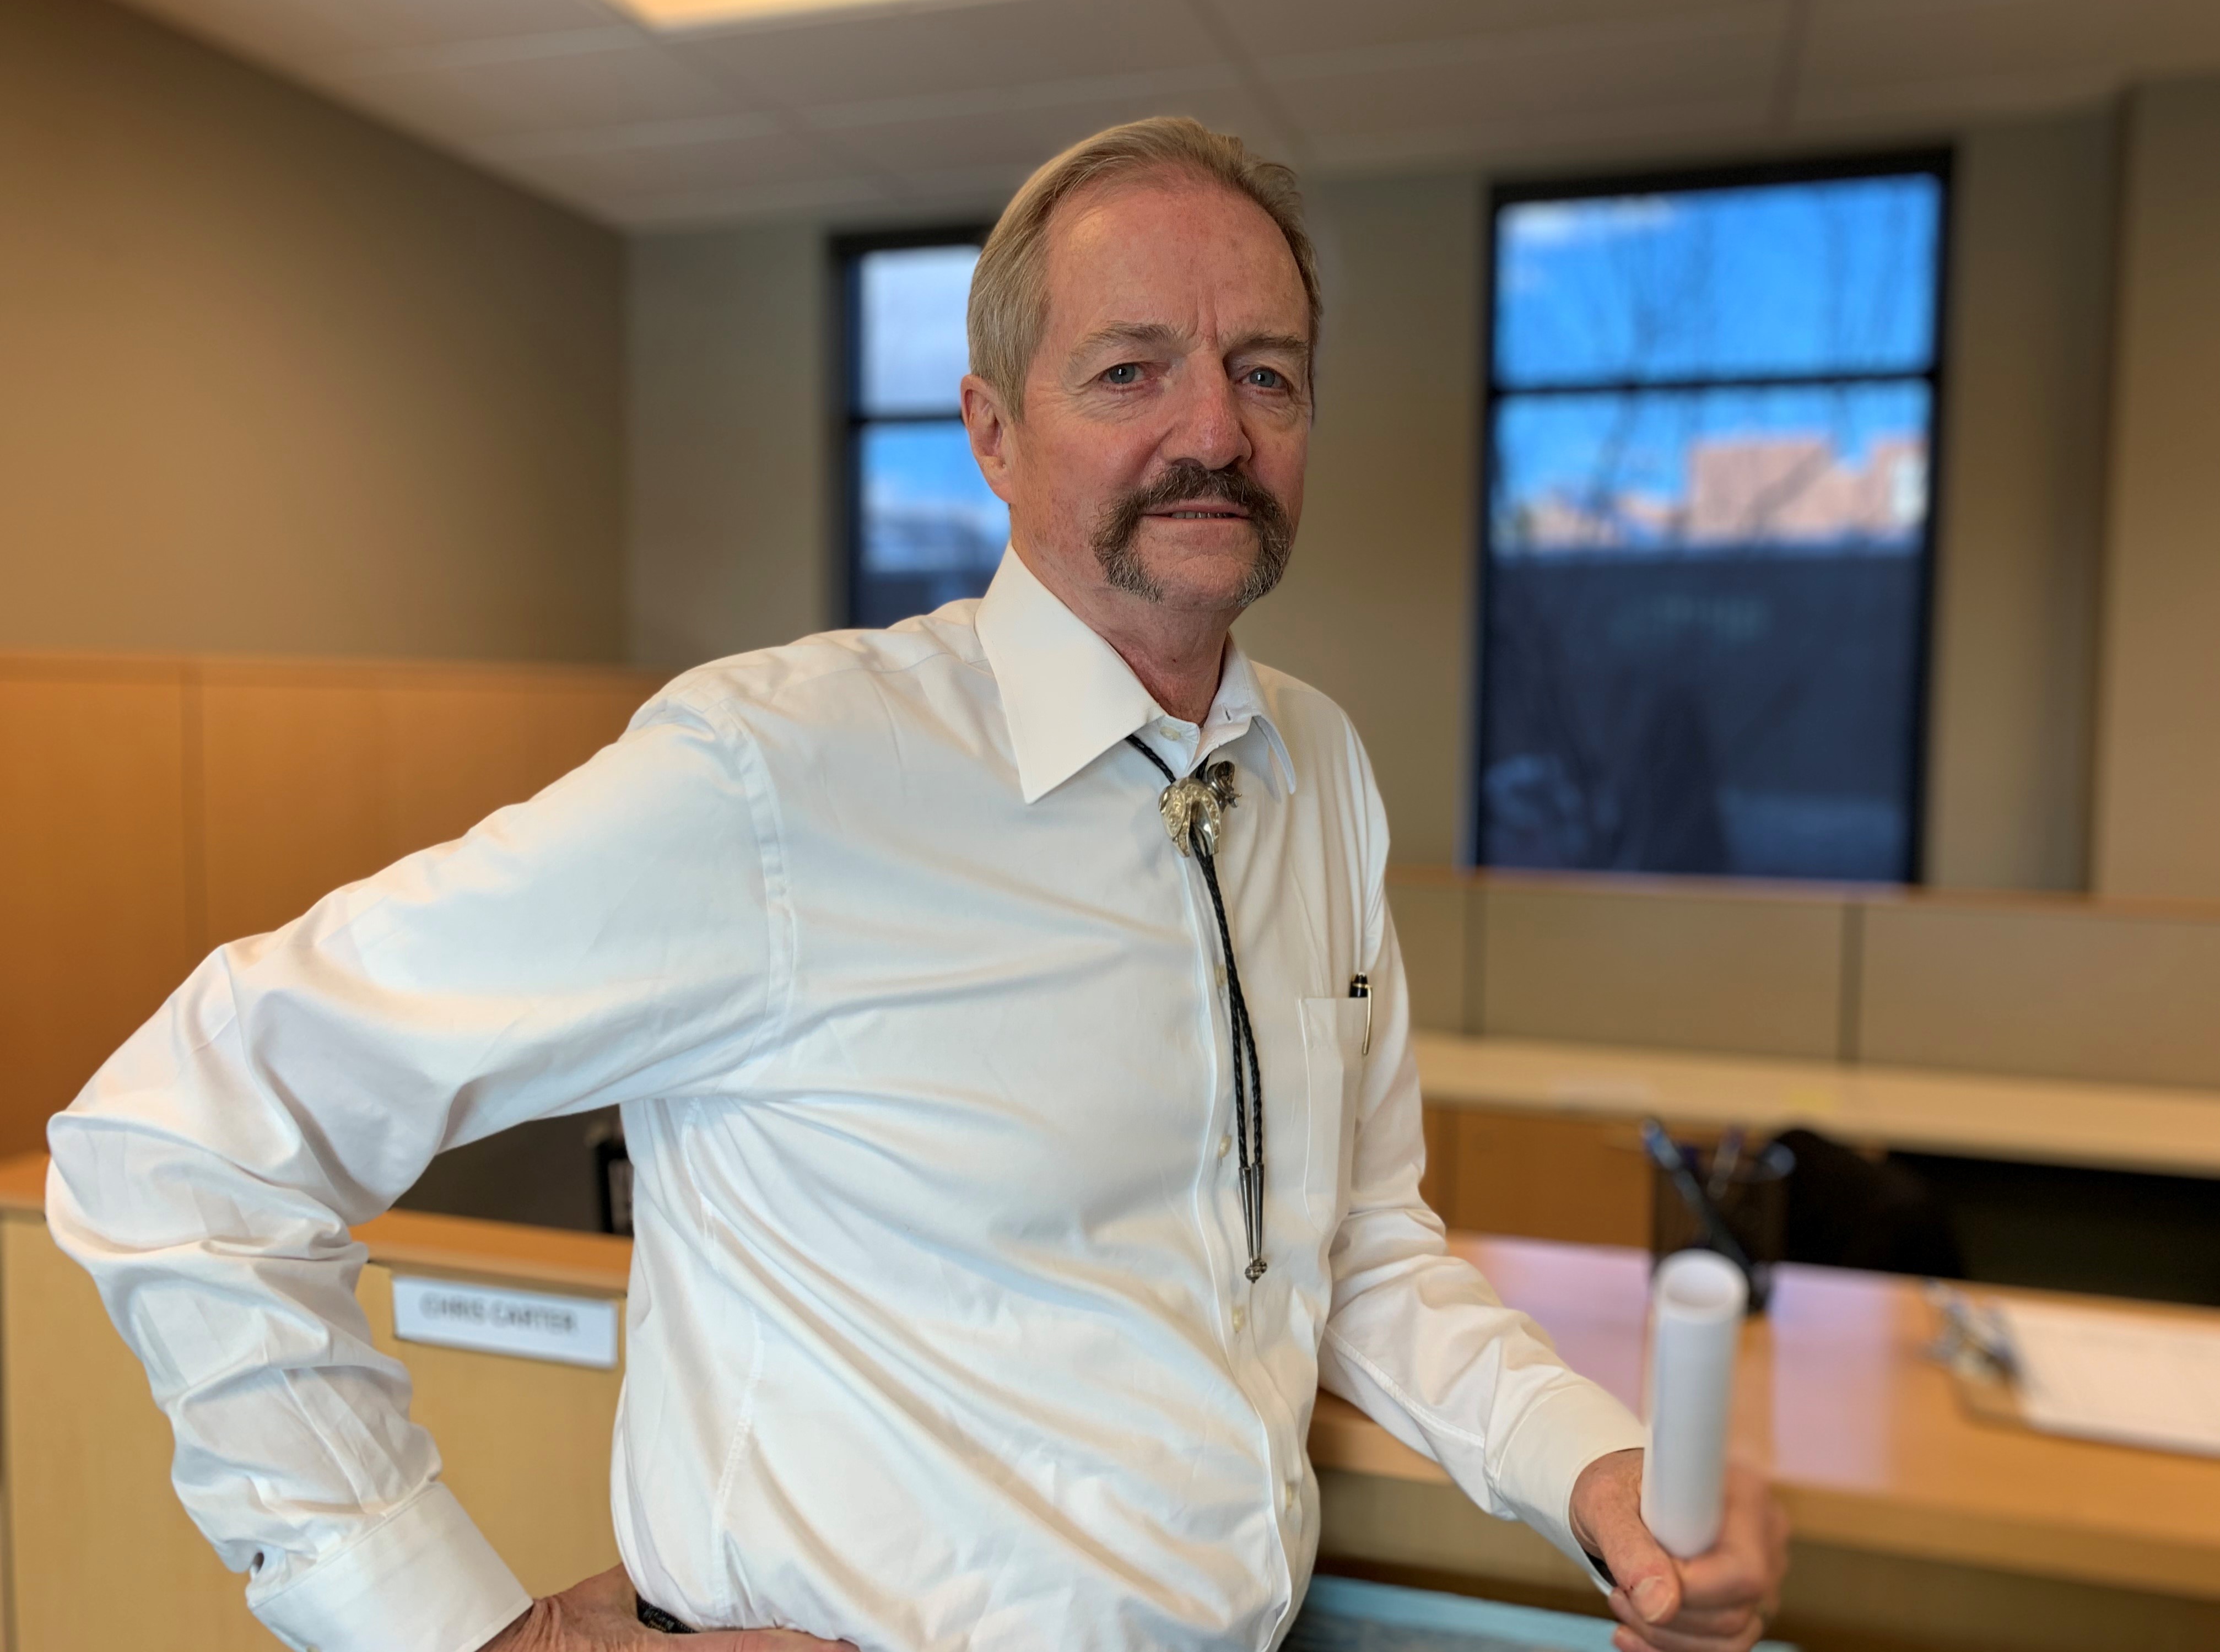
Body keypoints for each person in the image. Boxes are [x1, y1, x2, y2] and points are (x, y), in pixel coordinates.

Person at [47, 117, 1787, 1652]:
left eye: (1266, 371)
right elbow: (183, 1133)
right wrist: (468, 1633)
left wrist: (1591, 1462)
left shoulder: (1313, 768)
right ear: (990, 431)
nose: (1214, 427)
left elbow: (1354, 1244)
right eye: (1128, 371)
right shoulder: (777, 775)